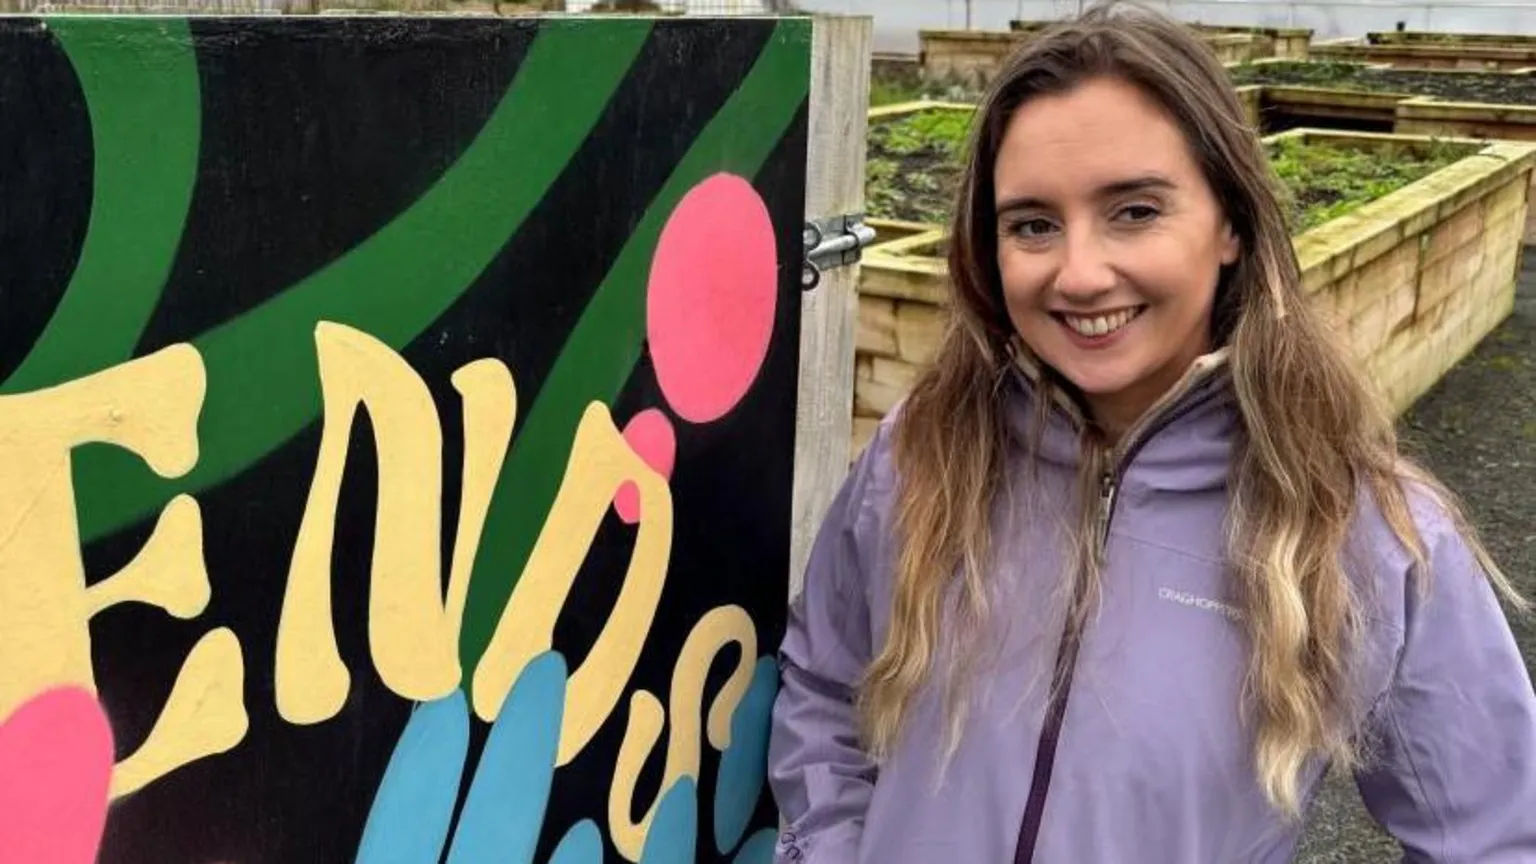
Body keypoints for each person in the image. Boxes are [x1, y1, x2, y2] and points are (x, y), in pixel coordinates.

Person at [766, 3, 1536, 862]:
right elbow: (823, 687)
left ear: (1231, 224)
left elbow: (1495, 834)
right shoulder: (922, 453)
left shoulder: (1362, 531)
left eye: (1134, 211)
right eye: (1032, 224)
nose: (1080, 273)